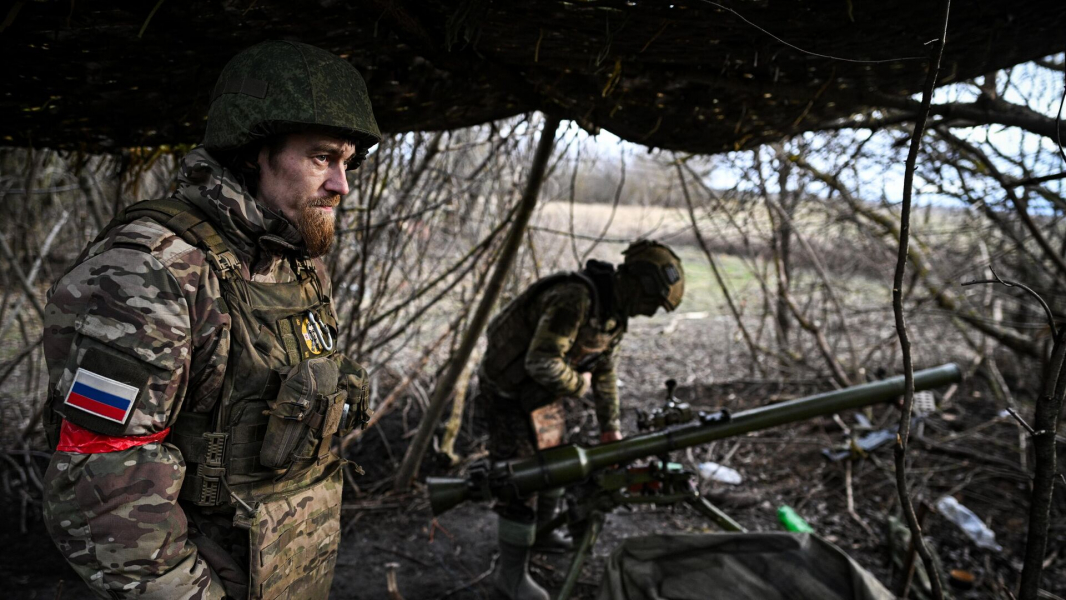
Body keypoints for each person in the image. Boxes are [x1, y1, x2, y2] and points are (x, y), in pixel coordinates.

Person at [40, 40, 379, 599]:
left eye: (348, 162)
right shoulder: (146, 273)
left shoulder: (293, 263)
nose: (341, 184)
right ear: (252, 151)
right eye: (322, 157)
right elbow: (105, 500)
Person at [476, 240, 685, 600]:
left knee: (556, 462)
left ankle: (542, 532)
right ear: (640, 284)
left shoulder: (613, 314)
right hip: (508, 394)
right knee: (519, 479)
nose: (651, 313)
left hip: (541, 394)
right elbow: (540, 362)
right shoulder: (574, 299)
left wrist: (611, 429)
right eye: (653, 303)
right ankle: (510, 576)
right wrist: (578, 385)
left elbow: (604, 372)